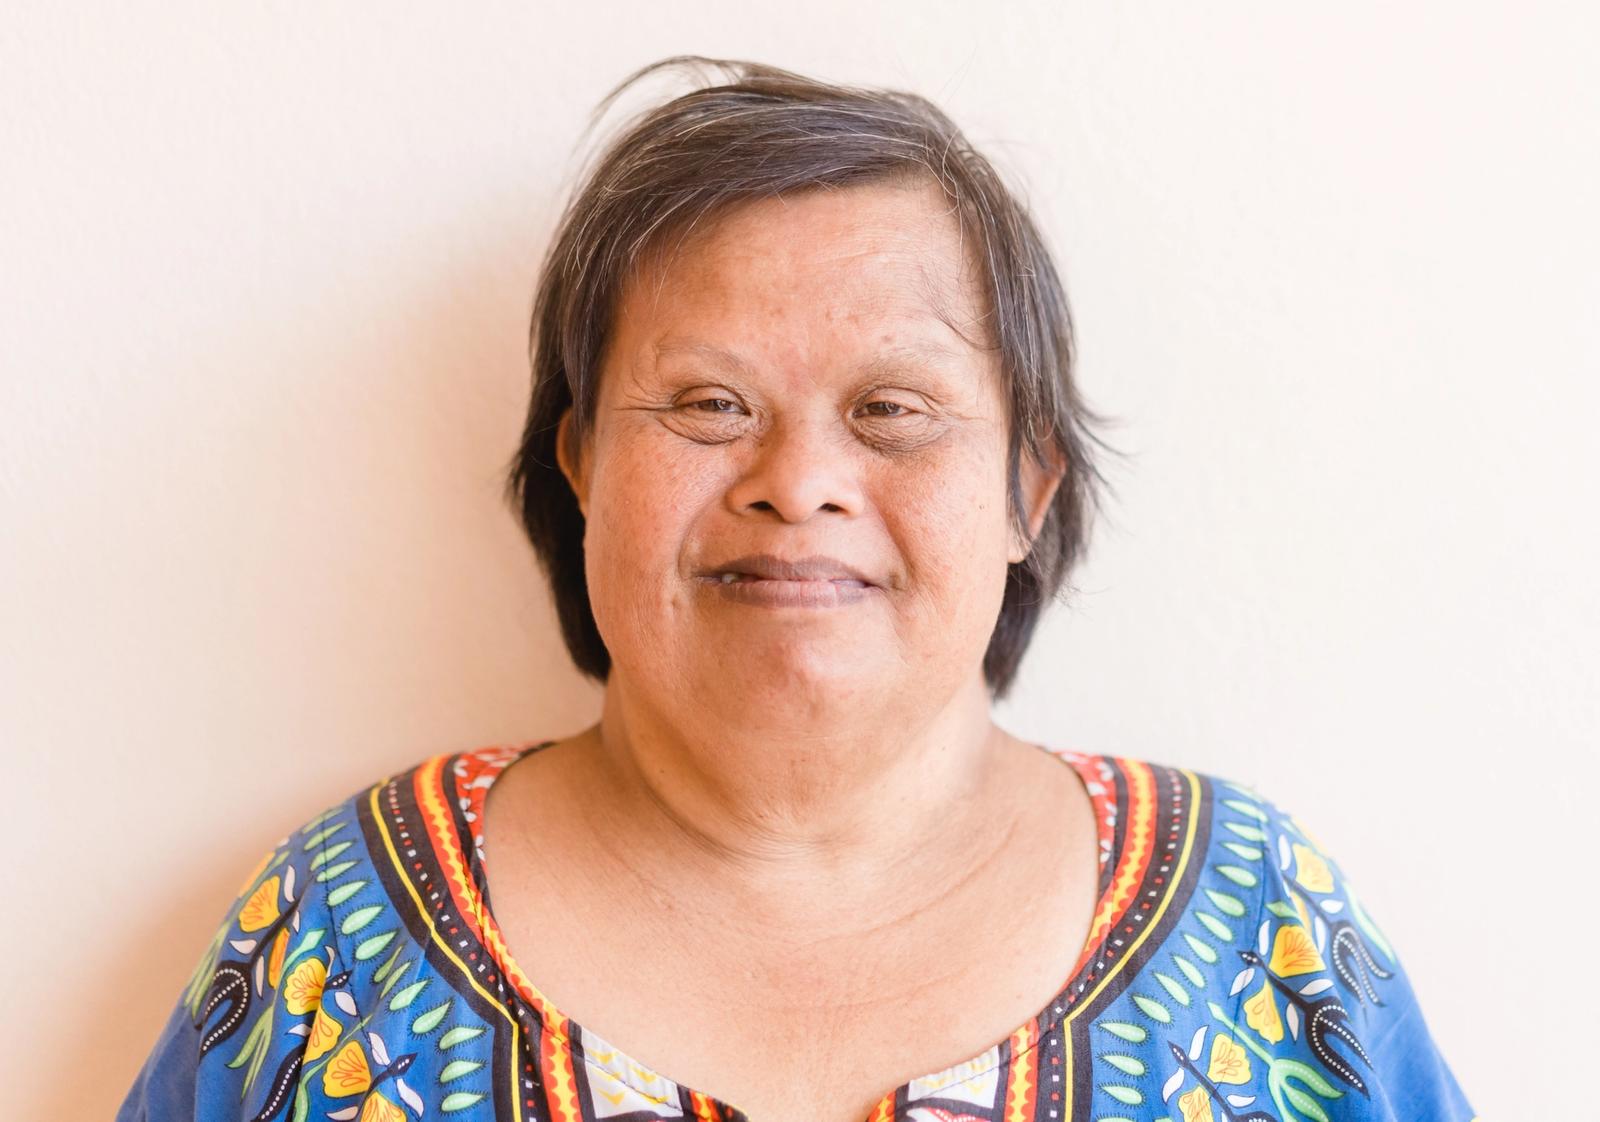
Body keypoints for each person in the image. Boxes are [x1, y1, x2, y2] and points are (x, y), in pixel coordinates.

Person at [118, 56, 1476, 1122]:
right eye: (709, 403)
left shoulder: (1263, 926)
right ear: (581, 463)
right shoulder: (334, 937)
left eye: (893, 408)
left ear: (1030, 488)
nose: (798, 479)